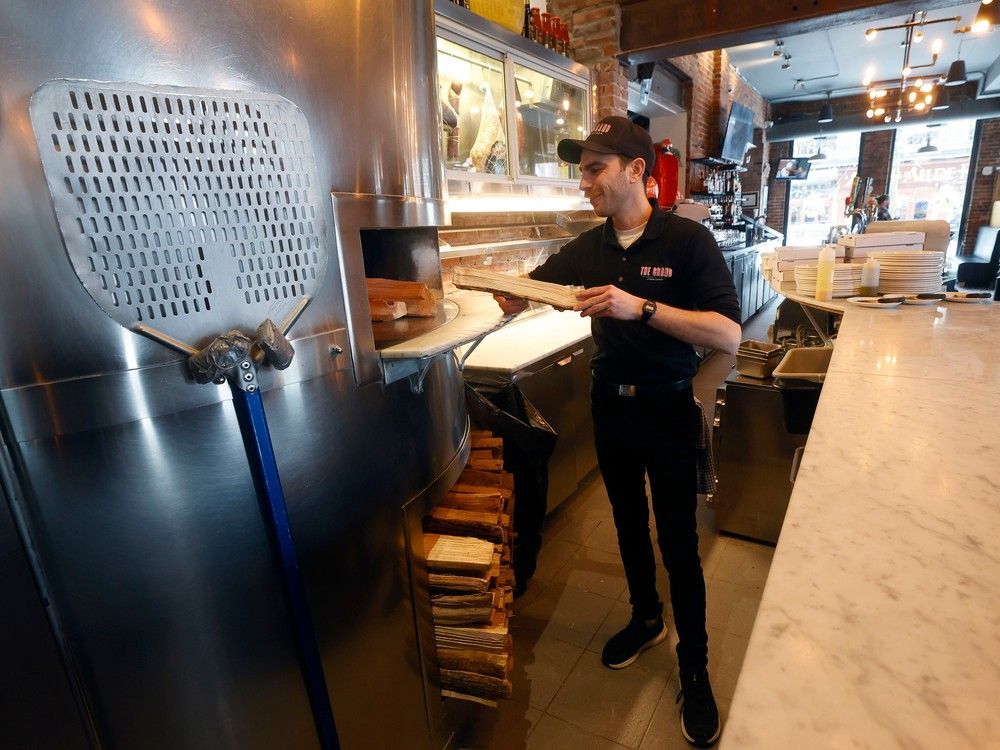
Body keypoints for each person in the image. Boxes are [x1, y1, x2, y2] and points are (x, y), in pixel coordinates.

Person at [494, 116, 740, 748]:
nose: (584, 183)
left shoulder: (687, 242)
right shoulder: (590, 246)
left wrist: (643, 308)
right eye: (580, 170)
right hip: (612, 408)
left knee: (679, 543)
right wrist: (512, 293)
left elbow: (727, 334)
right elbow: (534, 283)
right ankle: (645, 618)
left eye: (594, 168)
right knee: (629, 525)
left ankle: (694, 665)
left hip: (667, 409)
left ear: (638, 170)